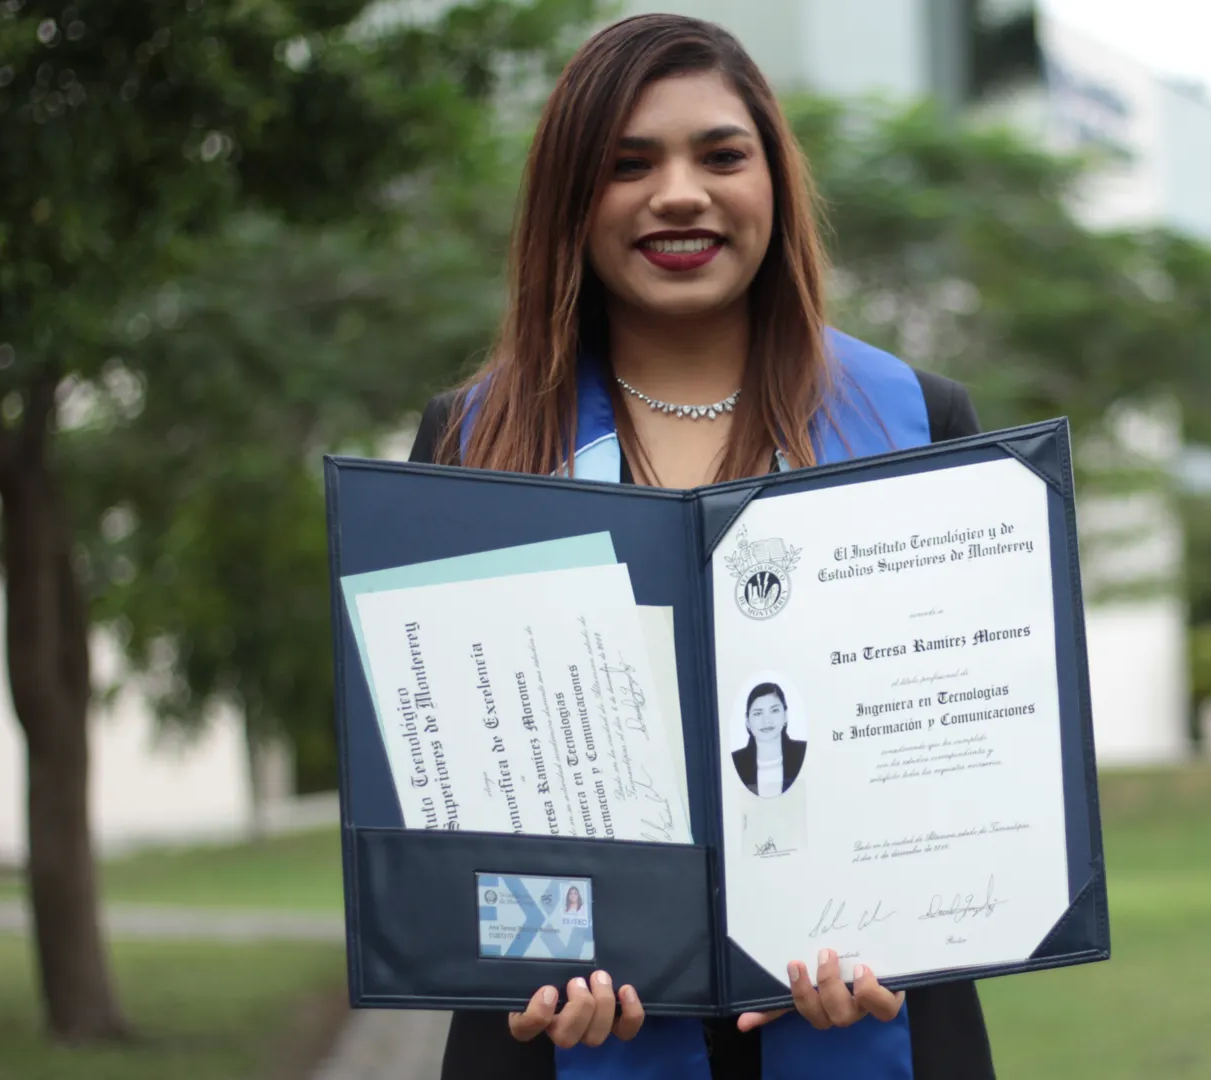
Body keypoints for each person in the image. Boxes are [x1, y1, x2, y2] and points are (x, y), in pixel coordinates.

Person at [407, 12, 995, 1080]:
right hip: (562, 1025)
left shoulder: (913, 421)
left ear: (773, 181)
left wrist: (910, 914)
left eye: (721, 156)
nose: (679, 194)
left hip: (872, 1007)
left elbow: (962, 751)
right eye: (628, 165)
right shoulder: (476, 442)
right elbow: (447, 793)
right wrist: (524, 956)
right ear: (570, 200)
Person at [730, 683, 805, 797]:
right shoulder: (736, 762)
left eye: (774, 711)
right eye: (758, 713)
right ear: (747, 721)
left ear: (785, 715)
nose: (766, 720)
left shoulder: (802, 753)